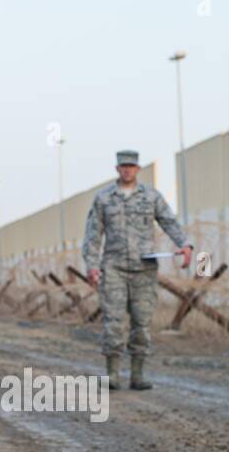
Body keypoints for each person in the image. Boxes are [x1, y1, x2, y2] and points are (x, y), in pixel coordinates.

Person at [82, 150, 193, 390]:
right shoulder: (104, 199)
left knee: (141, 323)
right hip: (114, 268)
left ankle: (137, 374)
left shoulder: (151, 197)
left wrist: (184, 244)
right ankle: (112, 373)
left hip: (144, 269)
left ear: (138, 169)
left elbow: (169, 222)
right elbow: (93, 234)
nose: (127, 170)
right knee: (114, 322)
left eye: (131, 166)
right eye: (123, 166)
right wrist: (91, 266)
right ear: (117, 169)